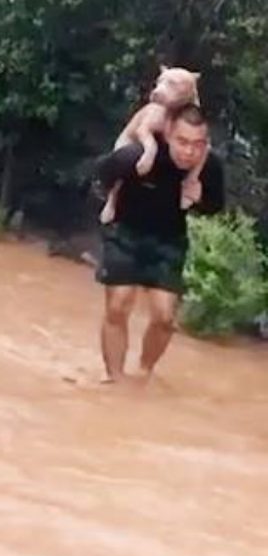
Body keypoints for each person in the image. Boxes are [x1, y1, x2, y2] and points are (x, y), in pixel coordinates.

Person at [94, 104, 225, 383]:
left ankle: (144, 372)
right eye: (183, 142)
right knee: (118, 304)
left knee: (164, 317)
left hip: (169, 240)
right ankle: (114, 379)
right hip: (125, 232)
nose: (190, 152)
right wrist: (110, 205)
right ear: (167, 134)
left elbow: (214, 207)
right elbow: (103, 174)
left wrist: (200, 196)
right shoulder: (137, 156)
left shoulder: (209, 167)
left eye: (198, 145)